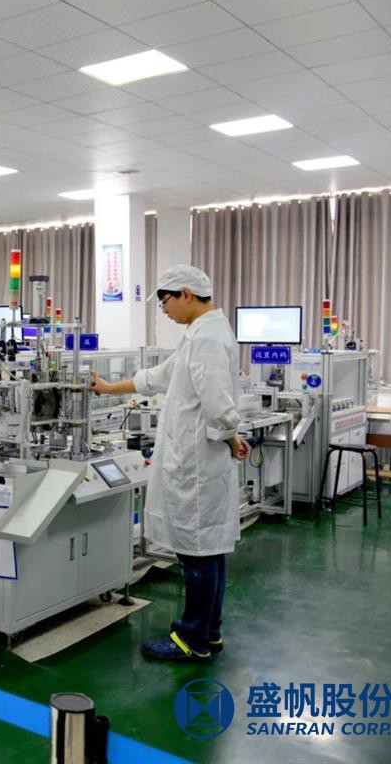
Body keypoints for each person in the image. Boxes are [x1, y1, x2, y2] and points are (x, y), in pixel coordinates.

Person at [91, 264, 249, 662]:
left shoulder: (208, 338)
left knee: (198, 555)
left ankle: (191, 639)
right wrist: (108, 388)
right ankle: (209, 633)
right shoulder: (201, 333)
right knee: (208, 550)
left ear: (186, 294)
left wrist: (231, 436)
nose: (163, 310)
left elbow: (217, 404)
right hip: (198, 461)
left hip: (197, 465)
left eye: (164, 302)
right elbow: (159, 377)